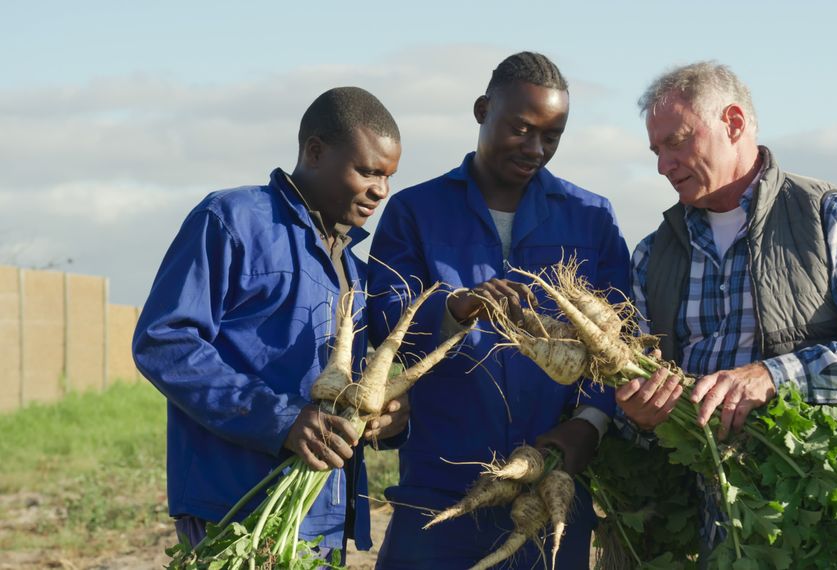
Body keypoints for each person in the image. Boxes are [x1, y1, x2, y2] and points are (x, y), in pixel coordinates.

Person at [615, 62, 837, 556]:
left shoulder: (829, 216)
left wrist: (774, 376)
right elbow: (634, 394)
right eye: (656, 150)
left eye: (676, 141)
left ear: (734, 124)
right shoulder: (652, 255)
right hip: (708, 527)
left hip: (824, 518)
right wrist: (637, 416)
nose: (663, 164)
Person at [367, 52, 631, 569]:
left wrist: (591, 423)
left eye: (551, 136)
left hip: (550, 488)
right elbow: (383, 318)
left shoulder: (591, 217)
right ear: (482, 109)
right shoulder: (415, 211)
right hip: (438, 487)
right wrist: (455, 309)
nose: (535, 148)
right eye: (521, 128)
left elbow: (621, 341)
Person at [132, 87, 409, 563]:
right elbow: (164, 339)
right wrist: (279, 420)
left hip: (322, 515)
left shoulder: (354, 271)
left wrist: (388, 418)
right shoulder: (231, 220)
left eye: (387, 177)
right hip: (236, 507)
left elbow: (349, 391)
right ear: (315, 152)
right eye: (367, 171)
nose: (380, 190)